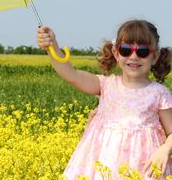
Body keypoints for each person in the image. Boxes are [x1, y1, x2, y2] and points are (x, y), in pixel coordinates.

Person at [37, 19, 172, 179]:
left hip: (143, 168)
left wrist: (165, 150)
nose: (134, 56)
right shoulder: (105, 85)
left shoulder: (159, 94)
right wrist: (52, 47)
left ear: (155, 57)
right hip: (102, 165)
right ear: (116, 53)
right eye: (126, 50)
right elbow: (71, 75)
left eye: (142, 51)